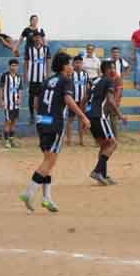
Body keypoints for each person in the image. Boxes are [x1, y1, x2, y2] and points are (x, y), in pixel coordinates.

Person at [19, 53, 91, 213]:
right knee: (50, 162)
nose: (72, 67)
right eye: (70, 64)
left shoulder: (46, 80)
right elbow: (68, 100)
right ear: (64, 66)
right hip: (55, 123)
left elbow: (36, 102)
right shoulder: (66, 81)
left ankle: (47, 198)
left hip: (41, 121)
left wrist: (43, 115)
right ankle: (29, 192)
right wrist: (83, 116)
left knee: (47, 161)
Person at [86, 60, 127, 185]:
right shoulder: (108, 81)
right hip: (99, 116)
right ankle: (97, 171)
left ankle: (102, 175)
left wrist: (83, 117)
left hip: (90, 116)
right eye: (112, 68)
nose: (114, 70)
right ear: (107, 70)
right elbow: (110, 100)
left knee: (104, 146)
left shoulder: (94, 81)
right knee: (113, 144)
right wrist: (120, 115)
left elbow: (84, 99)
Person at [24, 34, 49, 123]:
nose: (38, 39)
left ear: (41, 38)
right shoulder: (29, 49)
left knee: (42, 97)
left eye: (40, 37)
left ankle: (41, 115)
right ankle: (31, 115)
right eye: (36, 37)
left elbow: (48, 61)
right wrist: (25, 75)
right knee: (31, 96)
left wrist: (48, 74)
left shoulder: (46, 48)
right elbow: (26, 62)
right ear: (34, 38)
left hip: (43, 77)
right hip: (32, 77)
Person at [66, 55, 90, 146]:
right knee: (70, 120)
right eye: (76, 63)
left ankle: (81, 140)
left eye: (80, 63)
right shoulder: (70, 74)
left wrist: (87, 97)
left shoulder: (85, 74)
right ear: (73, 63)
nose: (78, 65)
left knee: (81, 120)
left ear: (82, 64)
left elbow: (88, 86)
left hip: (82, 101)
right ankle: (69, 140)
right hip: (72, 100)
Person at [0, 59, 23, 149]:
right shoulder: (5, 76)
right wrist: (1, 100)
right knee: (8, 121)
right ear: (9, 66)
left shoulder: (19, 77)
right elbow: (1, 89)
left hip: (16, 103)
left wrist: (20, 98)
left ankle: (11, 139)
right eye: (12, 65)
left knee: (14, 121)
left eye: (15, 65)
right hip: (7, 103)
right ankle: (6, 141)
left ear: (17, 67)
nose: (13, 67)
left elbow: (20, 89)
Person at [109, 46, 130, 135]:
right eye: (114, 52)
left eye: (117, 52)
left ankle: (114, 130)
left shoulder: (122, 61)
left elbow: (128, 67)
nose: (116, 54)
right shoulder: (107, 61)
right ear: (111, 53)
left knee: (116, 104)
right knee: (109, 106)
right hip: (109, 84)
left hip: (118, 85)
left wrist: (123, 76)